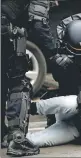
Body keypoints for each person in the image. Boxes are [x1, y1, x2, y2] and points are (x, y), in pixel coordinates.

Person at [1, 0, 40, 156]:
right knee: (19, 84)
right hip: (5, 33)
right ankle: (17, 140)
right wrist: (54, 53)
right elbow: (40, 23)